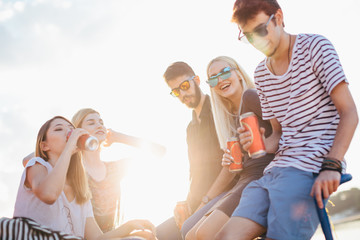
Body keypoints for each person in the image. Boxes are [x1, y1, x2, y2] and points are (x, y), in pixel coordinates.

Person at [216, 1, 359, 239]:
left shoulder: (316, 47)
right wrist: (258, 140)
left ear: (279, 17)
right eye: (250, 37)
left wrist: (332, 166)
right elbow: (279, 134)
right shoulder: (261, 73)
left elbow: (350, 112)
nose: (258, 42)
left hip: (310, 168)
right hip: (275, 171)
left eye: (261, 31)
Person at [13, 116, 157, 239]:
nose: (68, 132)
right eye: (58, 129)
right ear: (44, 145)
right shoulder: (37, 165)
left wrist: (129, 227)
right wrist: (69, 147)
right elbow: (49, 194)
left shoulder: (80, 190)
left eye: (71, 129)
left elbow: (96, 238)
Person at [184, 56, 273, 240]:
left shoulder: (253, 96)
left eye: (225, 72)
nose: (221, 79)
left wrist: (263, 143)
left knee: (202, 234)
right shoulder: (226, 116)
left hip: (258, 178)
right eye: (214, 77)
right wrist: (230, 160)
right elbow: (238, 164)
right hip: (243, 178)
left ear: (238, 73)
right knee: (191, 235)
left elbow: (283, 130)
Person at [156, 62, 235, 240]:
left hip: (223, 195)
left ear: (197, 80)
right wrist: (187, 202)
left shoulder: (219, 111)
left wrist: (204, 201)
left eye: (184, 86)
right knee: (161, 233)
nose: (183, 94)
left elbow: (230, 167)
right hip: (200, 199)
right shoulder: (190, 128)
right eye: (176, 91)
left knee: (187, 232)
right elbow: (195, 171)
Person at [72, 108, 165, 234]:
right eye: (91, 122)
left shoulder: (114, 169)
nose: (99, 125)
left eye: (101, 122)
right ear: (79, 132)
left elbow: (159, 151)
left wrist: (119, 137)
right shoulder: (72, 172)